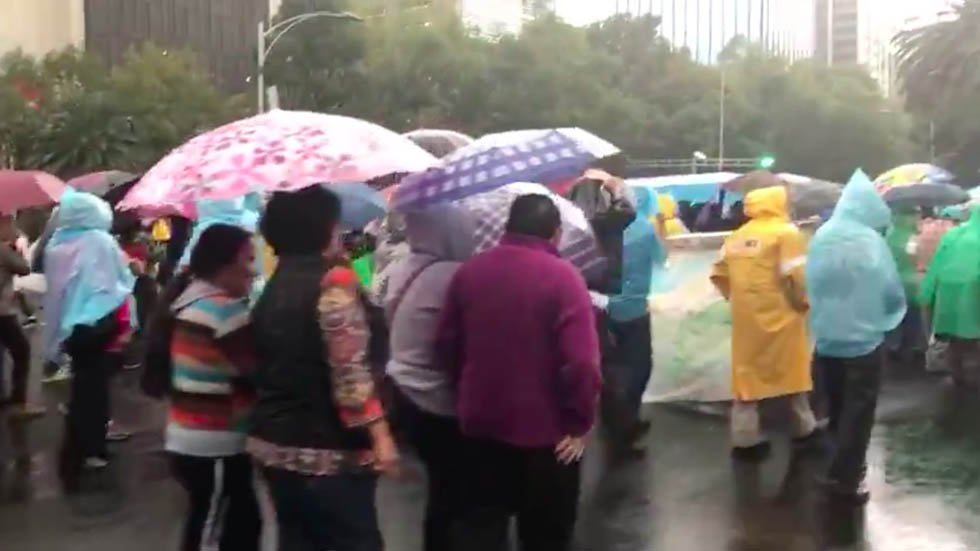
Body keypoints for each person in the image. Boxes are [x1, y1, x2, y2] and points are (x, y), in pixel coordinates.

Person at [437, 194, 601, 551]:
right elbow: (582, 362)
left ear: (507, 228)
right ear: (555, 234)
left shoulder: (470, 271)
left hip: (480, 426)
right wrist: (578, 423)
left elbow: (447, 344)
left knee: (482, 529)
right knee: (545, 536)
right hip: (547, 437)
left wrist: (466, 393)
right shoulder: (564, 278)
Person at [247, 186, 398, 551]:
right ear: (325, 228)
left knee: (298, 540)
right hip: (327, 451)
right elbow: (349, 370)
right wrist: (379, 434)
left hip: (273, 446)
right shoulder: (333, 283)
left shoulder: (274, 284)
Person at [807, 170, 906, 504]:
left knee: (835, 407)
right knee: (858, 411)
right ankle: (846, 478)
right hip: (863, 345)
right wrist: (889, 320)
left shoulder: (822, 236)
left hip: (826, 343)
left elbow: (811, 284)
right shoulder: (871, 243)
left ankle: (836, 465)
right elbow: (891, 291)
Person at [384, 205, 475, 551]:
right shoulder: (452, 274)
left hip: (404, 389)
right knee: (454, 493)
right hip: (435, 395)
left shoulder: (401, 265)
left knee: (440, 487)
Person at [164, 224, 261, 551]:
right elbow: (256, 371)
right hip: (214, 443)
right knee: (210, 529)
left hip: (189, 438)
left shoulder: (189, 301)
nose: (254, 270)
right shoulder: (225, 310)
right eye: (249, 260)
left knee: (239, 520)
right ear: (227, 264)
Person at [710, 185, 818, 460]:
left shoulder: (736, 236)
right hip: (783, 318)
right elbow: (797, 277)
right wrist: (802, 304)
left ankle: (745, 439)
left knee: (747, 380)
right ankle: (804, 431)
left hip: (747, 321)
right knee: (792, 375)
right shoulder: (787, 233)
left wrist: (739, 300)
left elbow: (719, 274)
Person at [42, 189, 135, 482]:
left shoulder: (55, 245)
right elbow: (117, 282)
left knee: (83, 388)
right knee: (94, 390)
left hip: (73, 330)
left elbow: (56, 294)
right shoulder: (99, 241)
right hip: (98, 325)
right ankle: (92, 449)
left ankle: (79, 447)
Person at [597, 187, 666, 447]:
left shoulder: (595, 230)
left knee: (609, 366)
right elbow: (661, 260)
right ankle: (627, 421)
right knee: (638, 366)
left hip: (601, 306)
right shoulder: (644, 229)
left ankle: (613, 421)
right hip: (634, 308)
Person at [920, 204, 980, 387]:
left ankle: (958, 376)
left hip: (948, 297)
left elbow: (935, 267)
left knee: (954, 340)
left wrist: (926, 294)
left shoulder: (952, 235)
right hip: (973, 295)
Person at [0, 214, 43, 417]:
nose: (12, 228)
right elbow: (25, 269)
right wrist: (13, 251)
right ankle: (18, 403)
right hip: (3, 312)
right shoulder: (2, 249)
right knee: (22, 352)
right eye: (9, 224)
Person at [885, 208, 926, 370]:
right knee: (911, 317)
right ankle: (908, 350)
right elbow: (916, 258)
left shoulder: (887, 236)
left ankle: (892, 347)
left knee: (893, 318)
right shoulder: (912, 239)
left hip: (889, 283)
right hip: (910, 284)